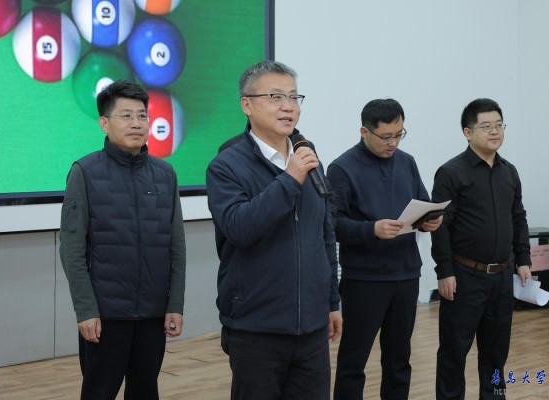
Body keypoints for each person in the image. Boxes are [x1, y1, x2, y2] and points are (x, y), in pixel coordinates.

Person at [206, 60, 342, 400]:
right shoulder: (226, 166)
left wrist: (331, 301)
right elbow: (240, 228)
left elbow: (325, 235)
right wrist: (290, 179)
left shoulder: (308, 159)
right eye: (276, 97)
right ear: (247, 105)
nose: (288, 106)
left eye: (294, 97)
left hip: (312, 326)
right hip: (256, 327)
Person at [59, 80, 186, 400]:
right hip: (105, 315)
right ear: (105, 123)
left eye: (142, 116)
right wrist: (86, 310)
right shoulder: (85, 171)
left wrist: (174, 305)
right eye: (126, 116)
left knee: (145, 392)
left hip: (152, 315)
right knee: (99, 393)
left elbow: (176, 246)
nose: (136, 124)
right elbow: (72, 249)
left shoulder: (165, 174)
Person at [327, 98, 442, 400]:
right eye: (386, 137)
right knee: (354, 361)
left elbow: (423, 203)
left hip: (406, 274)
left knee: (399, 360)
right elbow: (332, 225)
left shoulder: (407, 162)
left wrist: (430, 220)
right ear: (364, 132)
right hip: (365, 279)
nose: (393, 143)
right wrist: (372, 229)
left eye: (399, 135)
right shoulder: (341, 168)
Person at [431, 98, 532, 399]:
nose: (494, 131)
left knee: (496, 353)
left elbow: (518, 217)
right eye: (486, 126)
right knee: (454, 352)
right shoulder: (451, 173)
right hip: (464, 276)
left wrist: (523, 259)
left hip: (502, 277)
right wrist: (444, 271)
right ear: (467, 132)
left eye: (499, 125)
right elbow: (439, 226)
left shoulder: (509, 172)